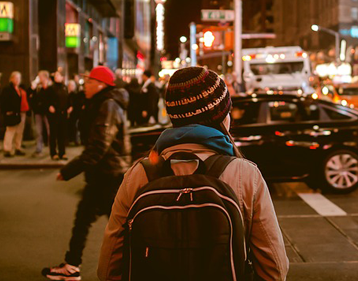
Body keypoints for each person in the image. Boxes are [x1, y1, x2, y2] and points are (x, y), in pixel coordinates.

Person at [97, 67, 289, 281]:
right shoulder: (244, 174)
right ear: (221, 117)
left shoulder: (140, 174)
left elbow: (108, 268)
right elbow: (275, 269)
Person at [42, 66, 130, 281]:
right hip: (104, 173)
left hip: (108, 175)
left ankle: (140, 266)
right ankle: (72, 265)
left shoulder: (107, 105)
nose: (85, 86)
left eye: (90, 82)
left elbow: (99, 146)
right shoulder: (102, 103)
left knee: (120, 228)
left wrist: (69, 169)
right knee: (88, 221)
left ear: (101, 84)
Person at [47, 71, 71, 160]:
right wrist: (49, 106)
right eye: (55, 75)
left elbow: (67, 99)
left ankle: (62, 152)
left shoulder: (64, 87)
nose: (57, 77)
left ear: (62, 77)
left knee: (62, 134)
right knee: (53, 134)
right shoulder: (51, 88)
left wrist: (70, 106)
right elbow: (47, 100)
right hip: (54, 114)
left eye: (58, 75)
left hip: (63, 114)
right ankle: (53, 153)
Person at [29, 70, 51, 157]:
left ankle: (51, 148)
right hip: (38, 112)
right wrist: (32, 89)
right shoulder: (37, 88)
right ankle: (39, 148)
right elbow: (32, 98)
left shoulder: (49, 88)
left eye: (40, 76)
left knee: (50, 130)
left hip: (47, 112)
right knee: (39, 131)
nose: (39, 78)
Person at [1, 72, 22, 157]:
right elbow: (3, 101)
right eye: (16, 78)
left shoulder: (18, 89)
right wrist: (7, 111)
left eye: (19, 78)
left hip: (17, 113)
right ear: (11, 79)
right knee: (10, 131)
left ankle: (17, 147)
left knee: (17, 132)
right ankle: (7, 149)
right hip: (10, 113)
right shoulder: (7, 89)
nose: (17, 80)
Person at [67, 80, 85, 146]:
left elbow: (77, 103)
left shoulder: (76, 94)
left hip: (75, 113)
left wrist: (72, 107)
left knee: (75, 127)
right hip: (68, 113)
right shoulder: (67, 94)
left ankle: (76, 140)